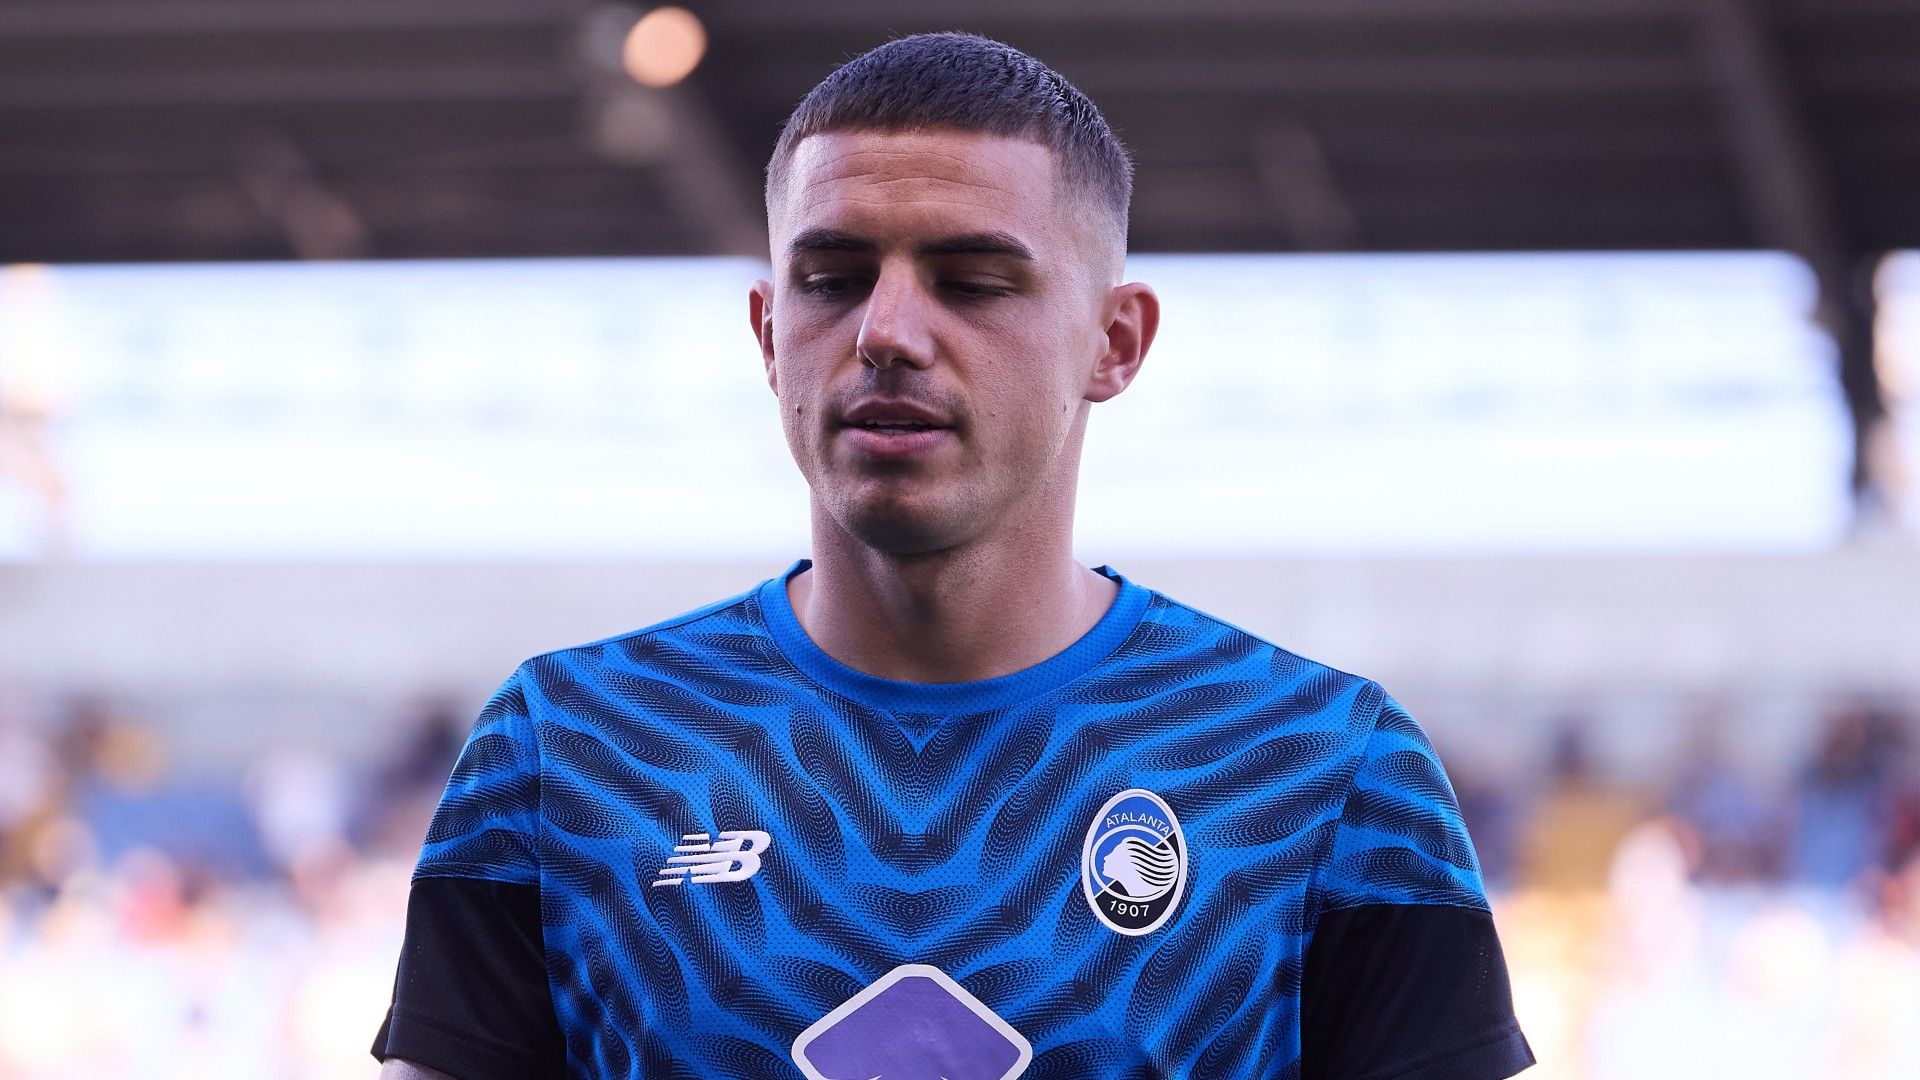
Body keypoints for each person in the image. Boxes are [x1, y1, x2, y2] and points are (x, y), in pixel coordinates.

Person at [371, 31, 1533, 1080]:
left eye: (973, 282)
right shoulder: (566, 752)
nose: (886, 332)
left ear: (1115, 341)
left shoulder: (1326, 773)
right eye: (832, 281)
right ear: (770, 336)